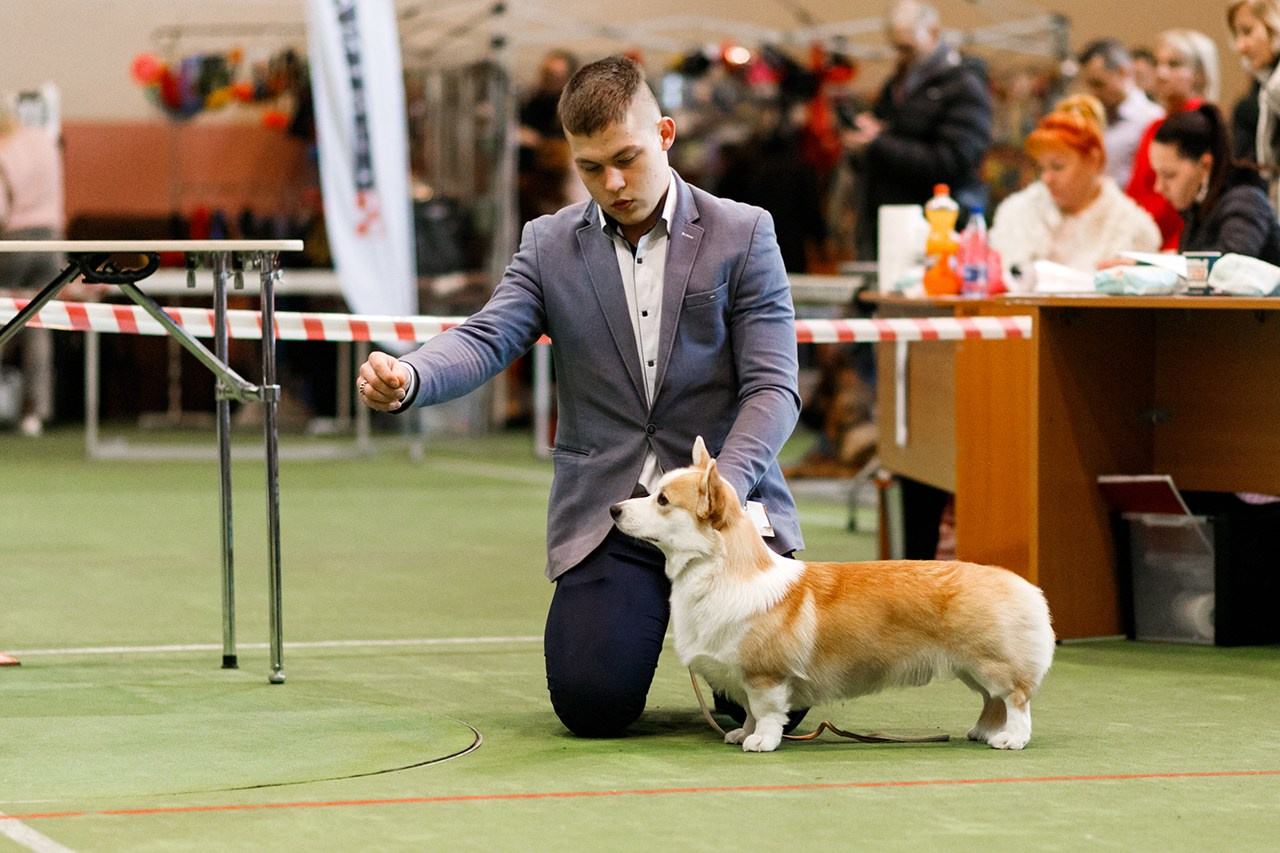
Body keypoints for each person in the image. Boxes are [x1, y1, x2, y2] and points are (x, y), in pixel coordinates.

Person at [356, 55, 805, 738]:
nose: (612, 184)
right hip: (614, 512)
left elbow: (773, 385)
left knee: (777, 703)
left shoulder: (743, 233)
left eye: (626, 159)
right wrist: (412, 376)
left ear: (664, 133)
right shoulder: (548, 244)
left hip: (728, 513)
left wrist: (723, 491)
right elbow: (487, 337)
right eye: (591, 168)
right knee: (592, 704)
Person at [843, 0, 994, 261]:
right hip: (891, 225)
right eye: (896, 47)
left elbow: (954, 160)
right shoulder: (898, 83)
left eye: (907, 47)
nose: (900, 55)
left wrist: (877, 143)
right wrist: (868, 136)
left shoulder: (964, 86)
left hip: (937, 233)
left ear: (933, 32)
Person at [989, 96, 1161, 283]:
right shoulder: (1015, 214)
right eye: (1042, 168)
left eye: (1057, 167)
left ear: (1093, 160)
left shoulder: (1132, 229)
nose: (1046, 178)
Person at [0, 101, 64, 437]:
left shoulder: (3, 148)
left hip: (14, 240)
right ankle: (35, 413)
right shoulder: (43, 139)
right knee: (39, 321)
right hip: (51, 239)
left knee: (3, 317)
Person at [1125, 29, 1220, 250]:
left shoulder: (1204, 124)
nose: (1161, 73)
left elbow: (1182, 201)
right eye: (1158, 63)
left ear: (1200, 75)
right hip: (1144, 239)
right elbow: (1136, 192)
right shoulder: (1155, 125)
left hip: (1178, 244)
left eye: (1174, 64)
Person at [1150, 102, 1280, 263]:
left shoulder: (1246, 202)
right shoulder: (1200, 208)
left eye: (1169, 175)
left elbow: (1229, 264)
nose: (1158, 187)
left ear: (1205, 165)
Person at [1076, 39, 1166, 187]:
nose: (1093, 93)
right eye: (1089, 85)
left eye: (1098, 84)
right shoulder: (1087, 117)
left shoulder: (1153, 118)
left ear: (1123, 72)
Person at [1228, 0, 1280, 210]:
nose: (1240, 46)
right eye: (1237, 35)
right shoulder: (1265, 85)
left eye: (1247, 31)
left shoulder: (1275, 86)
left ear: (1274, 25)